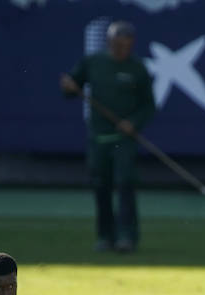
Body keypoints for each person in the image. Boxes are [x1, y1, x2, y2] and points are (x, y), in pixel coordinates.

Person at [60, 21, 156, 253]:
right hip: (99, 138)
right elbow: (71, 85)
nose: (122, 50)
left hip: (123, 139)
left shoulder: (138, 69)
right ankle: (105, 236)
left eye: (126, 45)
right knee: (101, 186)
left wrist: (133, 123)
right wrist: (69, 86)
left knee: (124, 184)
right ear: (109, 43)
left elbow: (149, 106)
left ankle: (127, 236)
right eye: (117, 45)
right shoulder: (94, 63)